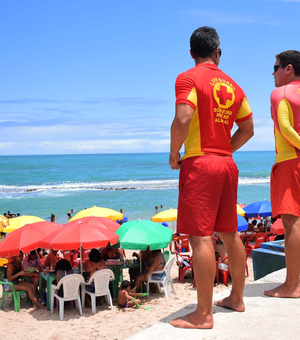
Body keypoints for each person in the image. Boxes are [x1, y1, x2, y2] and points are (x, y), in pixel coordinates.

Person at [169, 26, 254, 329]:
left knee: (200, 236)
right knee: (230, 233)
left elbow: (183, 118)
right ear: (218, 52)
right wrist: (223, 150)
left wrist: (173, 153)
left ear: (192, 52)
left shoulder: (188, 77)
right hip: (226, 164)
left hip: (200, 165)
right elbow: (248, 129)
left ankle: (203, 314)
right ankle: (237, 298)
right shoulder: (234, 85)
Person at [264, 50, 300, 299]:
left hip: (290, 161)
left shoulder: (280, 93)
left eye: (275, 68)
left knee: (292, 224)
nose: (272, 74)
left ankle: (292, 285)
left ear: (288, 68)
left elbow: (285, 128)